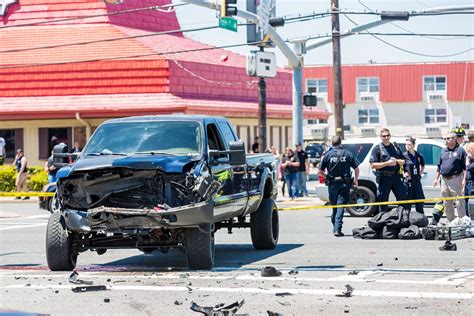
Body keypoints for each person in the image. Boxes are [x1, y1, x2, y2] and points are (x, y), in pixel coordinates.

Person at [319, 136, 360, 236]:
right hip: (344, 183)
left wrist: (327, 176)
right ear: (340, 143)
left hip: (332, 184)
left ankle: (336, 227)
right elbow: (356, 169)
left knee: (335, 206)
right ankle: (337, 229)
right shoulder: (347, 153)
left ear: (332, 143)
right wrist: (356, 180)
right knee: (340, 205)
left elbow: (320, 171)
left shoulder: (327, 154)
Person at [369, 128, 406, 213]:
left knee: (402, 198)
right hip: (384, 177)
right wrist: (387, 163)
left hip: (396, 177)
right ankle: (383, 221)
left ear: (390, 136)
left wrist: (398, 161)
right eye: (384, 136)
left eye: (387, 135)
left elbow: (403, 160)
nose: (386, 137)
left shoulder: (395, 147)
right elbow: (373, 165)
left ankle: (401, 218)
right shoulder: (377, 148)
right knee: (383, 201)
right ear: (380, 137)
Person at [433, 132, 467, 222]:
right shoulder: (443, 151)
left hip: (456, 179)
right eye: (445, 139)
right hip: (444, 180)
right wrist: (436, 179)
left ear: (454, 139)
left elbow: (465, 168)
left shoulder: (461, 151)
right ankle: (451, 221)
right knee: (447, 203)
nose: (446, 140)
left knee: (459, 202)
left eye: (448, 138)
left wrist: (464, 180)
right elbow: (439, 167)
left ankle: (462, 222)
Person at [403, 137, 426, 214]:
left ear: (413, 145)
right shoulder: (404, 156)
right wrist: (404, 173)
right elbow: (400, 167)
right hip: (408, 182)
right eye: (406, 145)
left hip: (417, 181)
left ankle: (421, 220)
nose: (407, 146)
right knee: (407, 204)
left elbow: (423, 165)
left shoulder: (418, 155)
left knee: (419, 202)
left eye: (409, 144)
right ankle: (406, 220)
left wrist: (420, 172)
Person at [463, 142, 474, 217]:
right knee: (465, 202)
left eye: (468, 151)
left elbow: (468, 168)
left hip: (472, 184)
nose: (467, 154)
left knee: (472, 203)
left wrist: (467, 161)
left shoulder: (470, 162)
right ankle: (467, 217)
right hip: (468, 183)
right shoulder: (470, 160)